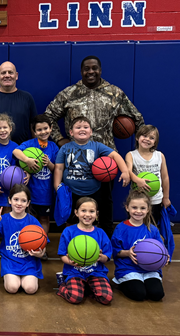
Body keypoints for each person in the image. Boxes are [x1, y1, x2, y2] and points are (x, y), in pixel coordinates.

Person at [44, 55, 144, 236]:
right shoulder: (69, 93)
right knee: (75, 202)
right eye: (86, 69)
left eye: (94, 68)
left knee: (105, 202)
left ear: (100, 70)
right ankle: (73, 238)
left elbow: (137, 119)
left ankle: (105, 239)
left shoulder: (114, 93)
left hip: (105, 160)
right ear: (81, 71)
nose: (91, 72)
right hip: (76, 158)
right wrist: (60, 139)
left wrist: (142, 148)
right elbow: (48, 117)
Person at [53, 116, 130, 237]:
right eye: (78, 127)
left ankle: (95, 242)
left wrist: (125, 171)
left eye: (85, 127)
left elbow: (115, 155)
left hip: (94, 191)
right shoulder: (65, 148)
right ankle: (70, 241)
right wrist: (57, 186)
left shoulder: (97, 146)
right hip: (71, 192)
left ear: (91, 131)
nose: (82, 129)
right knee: (71, 220)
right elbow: (59, 168)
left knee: (93, 218)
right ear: (71, 132)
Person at [12, 114, 59, 257]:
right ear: (34, 131)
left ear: (51, 128)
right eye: (39, 130)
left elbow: (56, 168)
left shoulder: (53, 147)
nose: (43, 132)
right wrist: (27, 160)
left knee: (44, 219)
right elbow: (15, 151)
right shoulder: (30, 144)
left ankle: (40, 245)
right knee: (28, 219)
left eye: (46, 128)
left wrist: (49, 164)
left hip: (46, 192)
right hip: (30, 191)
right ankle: (27, 243)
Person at [0, 184, 45, 294]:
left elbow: (43, 248)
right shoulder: (3, 219)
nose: (19, 203)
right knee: (12, 288)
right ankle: (9, 276)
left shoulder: (33, 221)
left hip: (29, 263)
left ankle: (27, 278)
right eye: (16, 199)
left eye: (23, 201)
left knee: (30, 289)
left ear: (28, 203)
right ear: (9, 200)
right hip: (10, 262)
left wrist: (39, 254)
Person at [56, 197, 113, 305]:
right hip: (74, 272)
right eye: (83, 211)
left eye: (92, 211)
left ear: (97, 214)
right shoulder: (69, 231)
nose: (87, 214)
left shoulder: (100, 233)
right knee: (75, 298)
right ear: (76, 213)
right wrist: (70, 261)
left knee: (107, 298)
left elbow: (107, 257)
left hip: (96, 272)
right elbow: (62, 255)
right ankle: (62, 286)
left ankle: (87, 288)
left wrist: (101, 257)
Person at [111, 190, 167, 302]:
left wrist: (165, 257)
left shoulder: (152, 229)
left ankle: (144, 281)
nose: (138, 211)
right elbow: (114, 252)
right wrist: (128, 253)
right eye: (134, 207)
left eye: (142, 208)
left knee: (157, 295)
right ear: (127, 208)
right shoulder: (121, 229)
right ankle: (120, 282)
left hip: (150, 269)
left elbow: (161, 249)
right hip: (128, 269)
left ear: (148, 210)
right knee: (139, 294)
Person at [0, 61, 38, 145]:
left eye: (10, 72)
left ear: (16, 76)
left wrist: (38, 149)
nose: (7, 75)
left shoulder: (27, 98)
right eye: (3, 73)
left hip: (22, 152)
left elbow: (34, 128)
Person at [125, 124, 171, 224]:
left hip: (155, 199)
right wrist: (138, 180)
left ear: (155, 142)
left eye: (151, 138)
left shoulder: (159, 156)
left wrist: (166, 197)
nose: (147, 139)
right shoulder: (131, 155)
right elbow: (128, 171)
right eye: (144, 136)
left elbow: (165, 177)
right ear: (137, 137)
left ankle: (151, 241)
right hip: (137, 199)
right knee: (136, 225)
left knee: (153, 227)